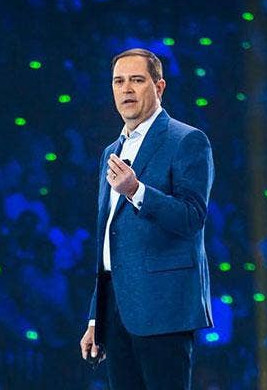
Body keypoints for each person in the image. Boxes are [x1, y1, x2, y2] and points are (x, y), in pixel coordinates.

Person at [79, 48, 215, 390]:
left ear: (159, 87)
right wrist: (96, 316)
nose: (126, 89)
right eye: (118, 81)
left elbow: (192, 217)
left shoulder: (187, 140)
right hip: (116, 312)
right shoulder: (110, 152)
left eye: (137, 80)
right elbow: (109, 240)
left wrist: (136, 190)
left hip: (163, 309)